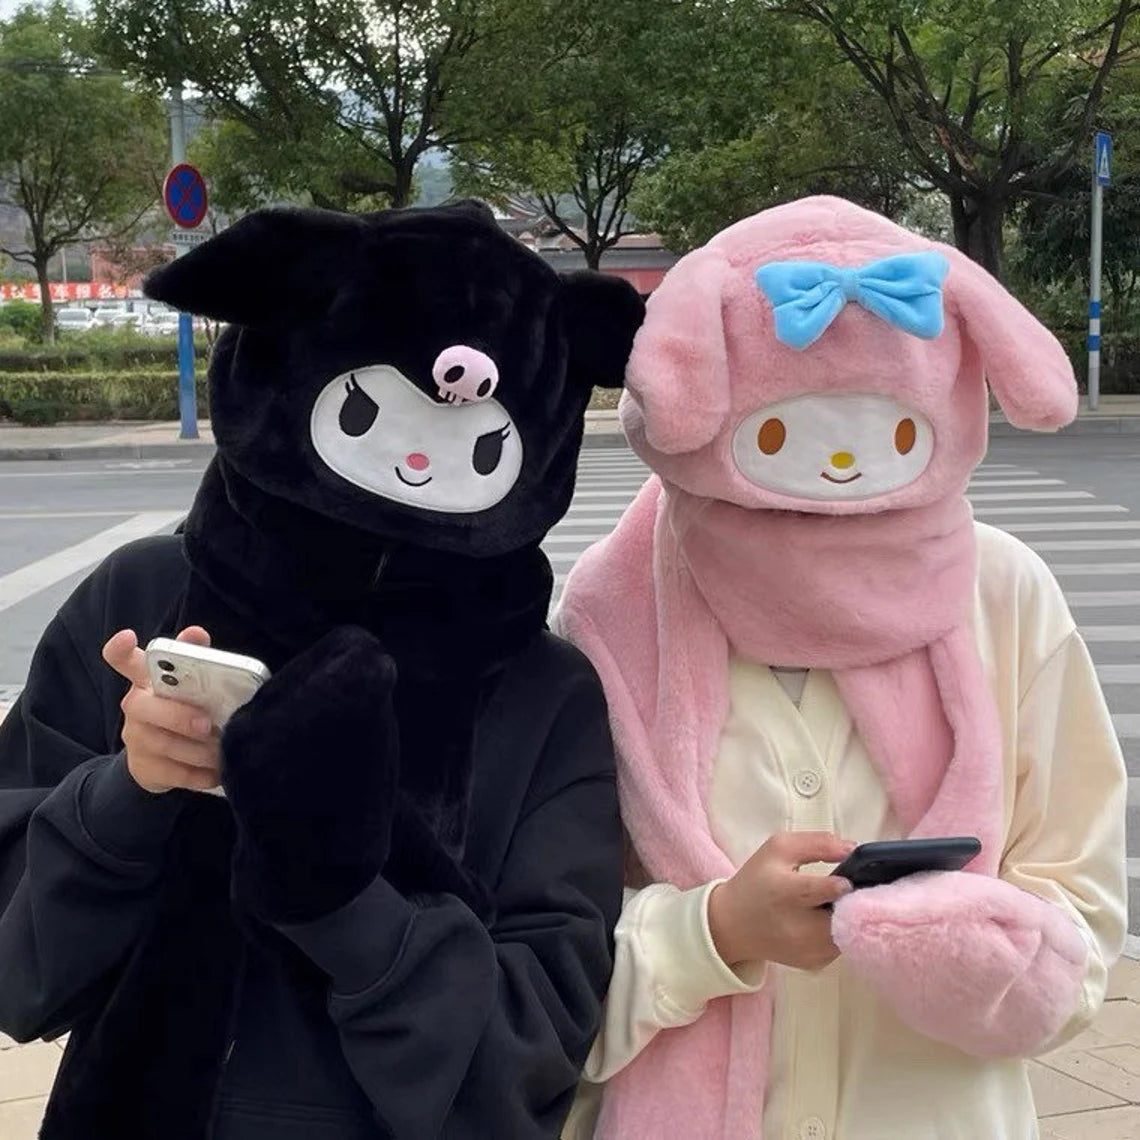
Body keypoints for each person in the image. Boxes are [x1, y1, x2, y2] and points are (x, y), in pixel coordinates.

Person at [0, 200, 645, 1140]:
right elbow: (20, 975)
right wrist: (127, 795)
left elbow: (527, 1058)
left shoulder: (545, 694)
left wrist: (339, 894)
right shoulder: (144, 599)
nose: (417, 457)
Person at [557, 195, 1126, 1140]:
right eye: (779, 433)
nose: (835, 472)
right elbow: (537, 965)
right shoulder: (611, 615)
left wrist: (988, 956)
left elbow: (1084, 910)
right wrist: (710, 934)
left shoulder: (1003, 596)